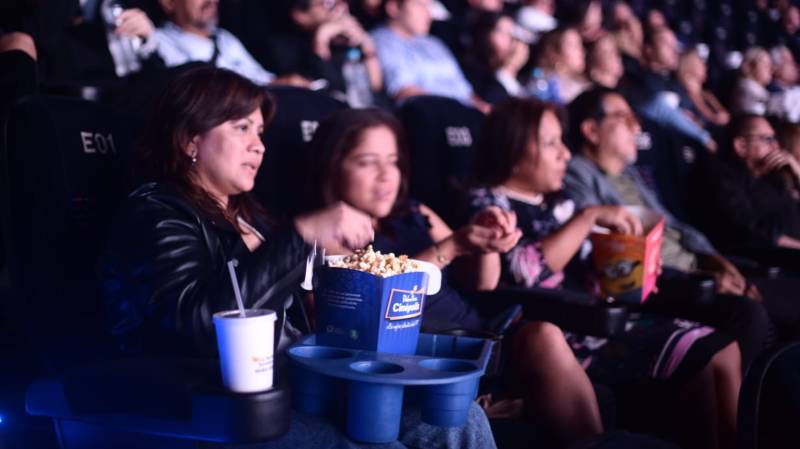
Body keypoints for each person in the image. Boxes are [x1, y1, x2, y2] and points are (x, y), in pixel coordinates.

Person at [100, 66, 497, 449]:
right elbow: (193, 324)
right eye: (241, 128)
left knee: (460, 420)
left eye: (259, 130)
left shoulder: (252, 216)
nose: (259, 144)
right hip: (221, 404)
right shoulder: (157, 213)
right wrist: (301, 234)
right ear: (190, 139)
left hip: (301, 384)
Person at [468, 96, 741, 449]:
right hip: (557, 329)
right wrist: (589, 217)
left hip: (598, 315)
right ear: (512, 147)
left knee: (721, 349)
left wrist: (634, 259)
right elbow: (524, 269)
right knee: (698, 353)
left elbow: (594, 270)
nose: (565, 154)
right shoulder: (488, 203)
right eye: (551, 143)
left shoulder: (560, 202)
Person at [562, 87, 780, 361]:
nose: (636, 125)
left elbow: (676, 227)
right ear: (592, 130)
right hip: (663, 285)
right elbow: (611, 255)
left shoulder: (630, 176)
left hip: (696, 267)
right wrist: (704, 279)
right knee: (752, 313)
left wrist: (717, 262)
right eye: (623, 117)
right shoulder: (576, 175)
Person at [370, 0, 489, 111]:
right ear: (394, 8)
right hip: (428, 116)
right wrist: (459, 111)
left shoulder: (434, 43)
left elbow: (466, 92)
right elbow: (403, 91)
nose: (428, 13)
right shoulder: (381, 41)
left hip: (462, 115)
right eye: (421, 5)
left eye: (429, 6)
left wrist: (485, 111)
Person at [263, 0, 383, 105]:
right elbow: (332, 92)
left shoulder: (346, 39)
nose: (340, 8)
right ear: (301, 15)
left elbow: (376, 88)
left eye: (341, 2)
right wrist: (321, 40)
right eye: (328, 3)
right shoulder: (284, 47)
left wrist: (367, 44)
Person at [153, 0, 276, 85]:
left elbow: (264, 78)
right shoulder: (156, 41)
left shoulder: (225, 38)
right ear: (168, 2)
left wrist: (286, 83)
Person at [463, 12, 530, 103]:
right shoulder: (471, 69)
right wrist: (509, 66)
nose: (510, 40)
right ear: (485, 33)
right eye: (503, 33)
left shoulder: (520, 76)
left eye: (511, 34)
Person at [527, 26, 589, 104]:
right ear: (553, 52)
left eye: (580, 45)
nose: (582, 52)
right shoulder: (541, 84)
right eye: (574, 46)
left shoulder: (583, 88)